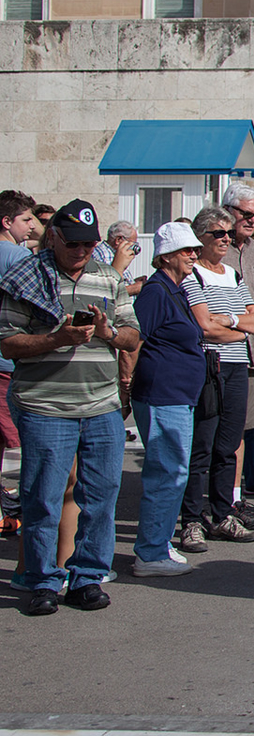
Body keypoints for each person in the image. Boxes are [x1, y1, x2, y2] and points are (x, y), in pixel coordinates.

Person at [0, 199, 140, 615]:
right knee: (43, 495)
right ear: (55, 236)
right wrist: (56, 339)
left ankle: (87, 578)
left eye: (88, 244)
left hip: (100, 405)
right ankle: (42, 580)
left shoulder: (108, 278)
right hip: (45, 405)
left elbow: (133, 337)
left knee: (100, 496)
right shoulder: (24, 276)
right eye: (73, 243)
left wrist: (107, 332)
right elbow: (7, 341)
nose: (81, 252)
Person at [179, 206, 254, 550]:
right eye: (218, 233)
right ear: (200, 237)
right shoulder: (193, 275)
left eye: (228, 233)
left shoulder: (232, 274)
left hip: (236, 365)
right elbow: (203, 326)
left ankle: (222, 512)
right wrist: (236, 324)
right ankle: (191, 519)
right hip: (208, 366)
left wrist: (227, 322)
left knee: (228, 445)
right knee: (201, 446)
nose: (225, 239)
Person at [128, 222, 206, 577]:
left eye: (195, 250)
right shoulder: (156, 292)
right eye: (187, 250)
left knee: (175, 470)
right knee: (167, 472)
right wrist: (125, 381)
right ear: (167, 256)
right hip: (161, 394)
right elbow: (132, 340)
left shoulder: (176, 288)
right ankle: (149, 552)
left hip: (177, 394)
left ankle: (158, 542)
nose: (194, 255)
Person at [220, 183, 254, 502]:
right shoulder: (211, 248)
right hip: (218, 350)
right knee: (218, 432)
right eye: (247, 214)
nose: (253, 220)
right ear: (228, 211)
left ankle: (235, 496)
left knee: (246, 428)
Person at [0, 189, 39, 533]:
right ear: (6, 221)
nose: (33, 226)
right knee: (25, 440)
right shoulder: (18, 257)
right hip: (8, 359)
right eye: (26, 219)